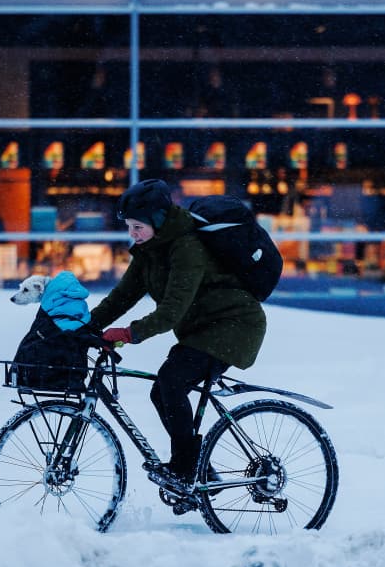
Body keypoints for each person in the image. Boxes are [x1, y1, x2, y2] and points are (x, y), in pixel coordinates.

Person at [88, 179, 267, 489]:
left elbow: (172, 311)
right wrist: (85, 327)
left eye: (137, 226)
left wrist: (128, 334)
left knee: (170, 382)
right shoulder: (149, 252)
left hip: (233, 326)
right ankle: (199, 472)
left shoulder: (187, 248)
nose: (132, 233)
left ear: (157, 219)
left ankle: (185, 469)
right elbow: (121, 297)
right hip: (202, 329)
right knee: (162, 390)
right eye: (129, 226)